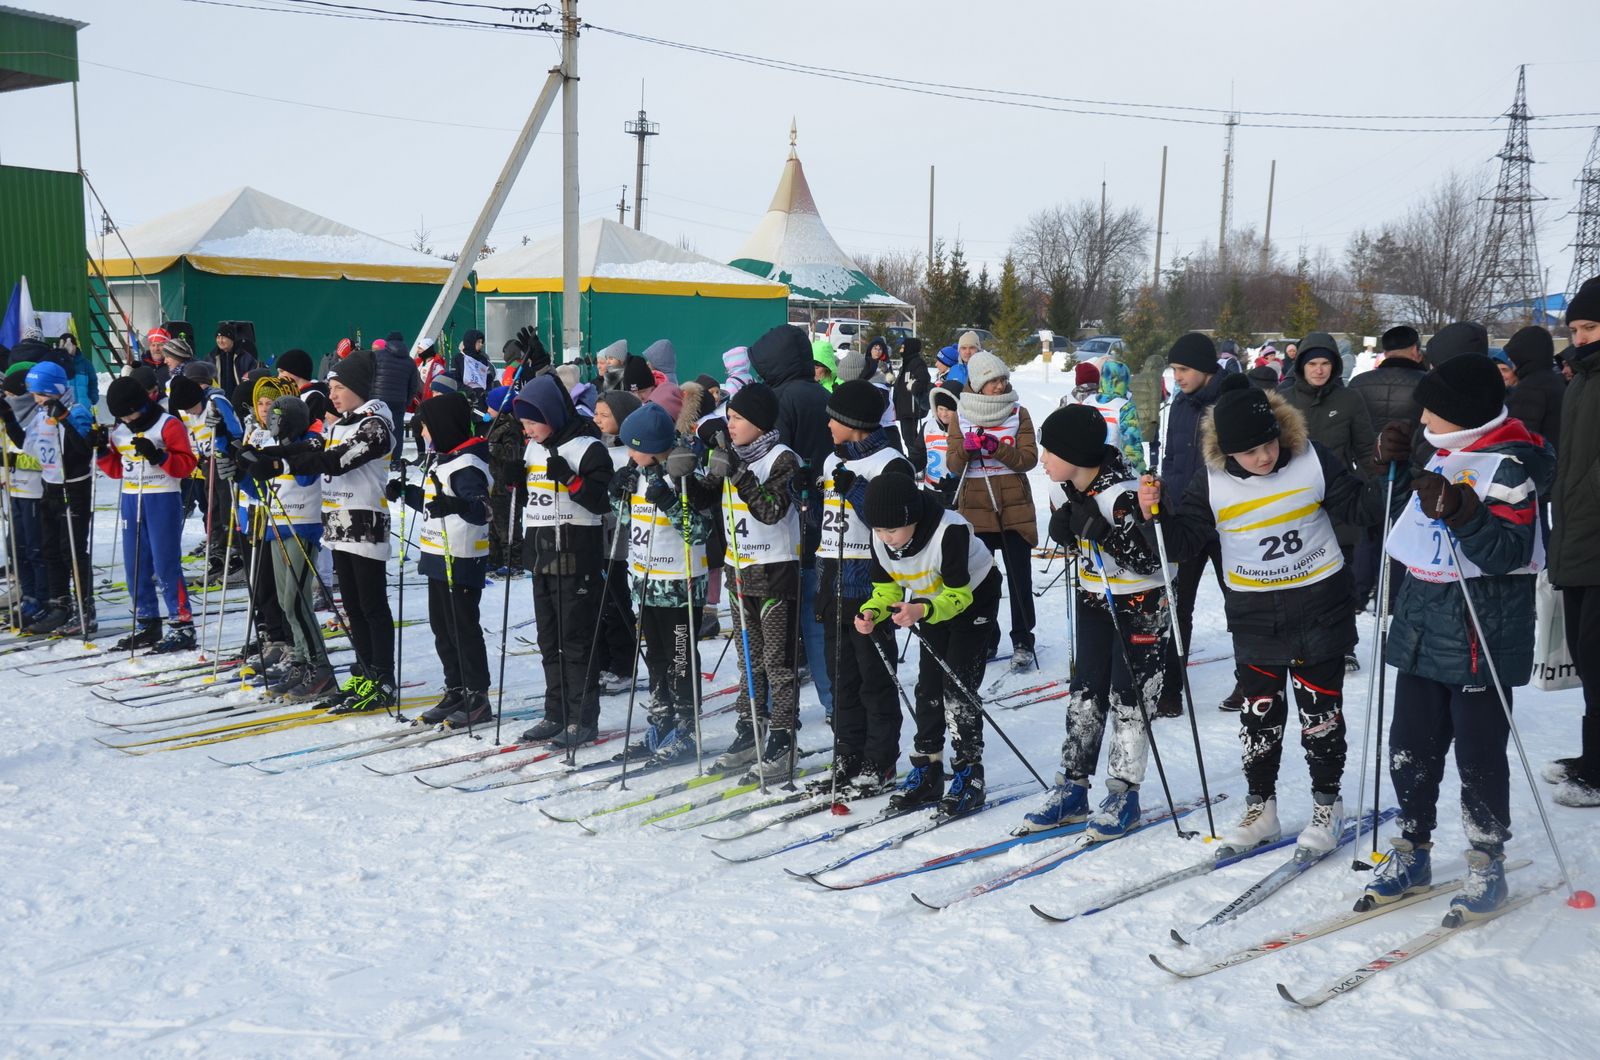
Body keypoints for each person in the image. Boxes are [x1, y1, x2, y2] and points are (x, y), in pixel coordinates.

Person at [1137, 376, 1396, 854]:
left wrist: (1386, 469)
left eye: (1269, 443)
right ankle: (1262, 808)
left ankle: (1326, 803)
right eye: (1250, 451)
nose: (1264, 457)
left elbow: (1363, 507)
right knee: (1260, 715)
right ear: (1227, 451)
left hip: (1319, 602)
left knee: (1321, 714)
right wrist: (1156, 515)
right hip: (1254, 612)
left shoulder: (1312, 458)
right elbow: (1184, 542)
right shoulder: (1209, 479)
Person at [1364, 352, 1554, 915]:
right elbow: (1405, 523)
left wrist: (1466, 513)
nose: (1423, 415)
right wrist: (1391, 468)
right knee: (1409, 748)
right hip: (1422, 629)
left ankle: (1485, 858)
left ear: (1464, 414)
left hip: (1480, 636)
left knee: (1478, 754)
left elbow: (1507, 553)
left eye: (1434, 409)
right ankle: (1413, 847)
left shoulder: (1511, 469)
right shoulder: (1443, 453)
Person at [1019, 404, 1167, 838]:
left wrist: (1102, 532)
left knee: (1130, 698)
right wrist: (1066, 531)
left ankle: (1124, 792)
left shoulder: (1122, 493)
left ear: (1078, 454)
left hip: (1140, 602)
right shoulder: (1065, 488)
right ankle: (1073, 785)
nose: (1042, 459)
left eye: (1050, 451)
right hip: (1094, 597)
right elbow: (1071, 533)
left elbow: (1151, 559)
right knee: (1084, 691)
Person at [858, 472, 1001, 815]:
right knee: (928, 687)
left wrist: (921, 609)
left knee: (958, 687)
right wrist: (872, 612)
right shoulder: (880, 537)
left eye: (891, 530)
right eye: (878, 530)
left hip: (972, 598)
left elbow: (958, 597)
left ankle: (969, 772)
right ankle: (928, 767)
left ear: (911, 517)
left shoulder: (948, 531)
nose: (885, 538)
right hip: (930, 602)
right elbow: (886, 590)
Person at [283, 349, 398, 714]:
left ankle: (382, 677)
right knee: (351, 605)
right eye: (331, 387)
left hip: (364, 523)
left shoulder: (375, 424)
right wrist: (271, 458)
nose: (331, 395)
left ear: (358, 387)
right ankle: (364, 670)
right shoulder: (342, 423)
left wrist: (284, 460)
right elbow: (313, 448)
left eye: (338, 387)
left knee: (371, 605)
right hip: (338, 524)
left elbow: (338, 459)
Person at [817, 379, 916, 791]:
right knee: (841, 678)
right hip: (832, 575)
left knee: (874, 677)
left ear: (852, 423)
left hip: (871, 581)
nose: (827, 425)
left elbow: (891, 517)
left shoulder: (890, 462)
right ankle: (848, 752)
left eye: (833, 418)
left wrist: (855, 489)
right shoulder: (831, 461)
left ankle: (880, 759)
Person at [706, 383, 803, 778]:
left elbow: (771, 510)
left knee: (777, 664)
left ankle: (783, 737)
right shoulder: (730, 455)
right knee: (749, 663)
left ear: (759, 424)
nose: (729, 424)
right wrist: (676, 479)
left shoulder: (783, 459)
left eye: (737, 418)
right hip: (738, 569)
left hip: (776, 570)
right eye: (728, 417)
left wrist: (740, 472)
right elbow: (703, 496)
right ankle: (750, 730)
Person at [512, 375, 614, 747]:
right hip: (541, 556)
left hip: (576, 555)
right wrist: (515, 482)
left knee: (575, 641)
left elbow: (603, 503)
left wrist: (571, 480)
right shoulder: (533, 450)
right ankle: (555, 712)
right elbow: (530, 498)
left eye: (532, 423)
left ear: (552, 414)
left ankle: (582, 717)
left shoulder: (587, 448)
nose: (528, 432)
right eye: (523, 425)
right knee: (548, 640)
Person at [612, 401, 713, 763]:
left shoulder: (685, 471)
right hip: (646, 580)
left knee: (680, 659)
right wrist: (616, 491)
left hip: (679, 584)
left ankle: (686, 727)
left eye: (633, 446)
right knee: (655, 657)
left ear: (652, 447)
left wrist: (670, 501)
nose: (628, 453)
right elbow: (624, 518)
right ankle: (661, 720)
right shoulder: (638, 472)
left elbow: (700, 531)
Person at [747, 323, 835, 720]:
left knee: (780, 619)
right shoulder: (822, 393)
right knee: (818, 616)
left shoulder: (779, 400)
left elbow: (768, 457)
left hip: (788, 519)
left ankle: (775, 710)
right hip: (825, 512)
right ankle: (835, 702)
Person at [1282, 331, 1377, 669]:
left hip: (1338, 499)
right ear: (1301, 366)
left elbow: (1366, 449)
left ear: (1334, 366)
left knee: (1339, 578)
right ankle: (1298, 638)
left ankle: (1344, 643)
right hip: (1292, 500)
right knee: (1295, 575)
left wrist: (1377, 485)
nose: (1319, 370)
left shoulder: (1349, 400)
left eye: (1325, 364)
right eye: (1312, 364)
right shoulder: (1283, 398)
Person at [1152, 332, 1232, 715]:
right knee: (1177, 606)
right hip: (1187, 519)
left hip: (1227, 522)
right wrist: (1166, 497)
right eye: (1174, 370)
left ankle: (1254, 681)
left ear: (1203, 368)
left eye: (1183, 369)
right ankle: (1170, 689)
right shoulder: (1180, 404)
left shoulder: (1230, 400)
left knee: (1241, 602)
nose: (1177, 377)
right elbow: (1172, 461)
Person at [233, 396, 334, 700]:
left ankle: (320, 668)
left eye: (279, 419)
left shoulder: (311, 442)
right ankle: (301, 662)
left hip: (302, 526)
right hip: (276, 527)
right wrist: (243, 469)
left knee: (296, 601)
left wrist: (277, 458)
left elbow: (305, 476)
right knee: (283, 600)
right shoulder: (273, 445)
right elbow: (260, 487)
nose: (273, 425)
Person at [947, 351, 1039, 671]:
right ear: (977, 384)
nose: (1000, 386)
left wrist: (996, 448)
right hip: (976, 508)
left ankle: (1023, 639)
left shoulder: (1019, 413)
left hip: (1014, 508)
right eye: (992, 381)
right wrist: (966, 450)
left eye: (1002, 379)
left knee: (1018, 579)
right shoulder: (962, 414)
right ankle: (986, 636)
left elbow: (1028, 459)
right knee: (982, 580)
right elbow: (952, 464)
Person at [97, 375, 198, 652]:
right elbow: (117, 469)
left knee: (166, 564)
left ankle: (182, 624)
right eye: (122, 417)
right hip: (132, 499)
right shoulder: (120, 431)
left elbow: (187, 466)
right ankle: (147, 621)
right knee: (135, 564)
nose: (127, 420)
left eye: (129, 414)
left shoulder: (168, 425)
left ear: (141, 404)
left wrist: (158, 456)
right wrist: (101, 451)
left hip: (162, 497)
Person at [1547, 276, 1600, 807]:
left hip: (1595, 534)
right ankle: (1592, 757)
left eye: (1590, 327)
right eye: (1576, 328)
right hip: (1580, 535)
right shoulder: (1583, 378)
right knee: (1587, 657)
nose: (1580, 338)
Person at [10, 362, 96, 635]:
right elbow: (29, 447)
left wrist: (65, 418)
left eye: (39, 393)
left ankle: (86, 609)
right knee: (50, 549)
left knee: (72, 551)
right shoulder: (40, 414)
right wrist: (8, 418)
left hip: (74, 488)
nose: (35, 399)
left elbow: (83, 450)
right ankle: (60, 604)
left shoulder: (79, 411)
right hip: (51, 488)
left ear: (54, 390)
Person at [590, 389, 642, 687]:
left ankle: (623, 665)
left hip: (616, 536)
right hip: (595, 531)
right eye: (595, 414)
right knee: (598, 601)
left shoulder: (629, 453)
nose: (597, 420)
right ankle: (603, 661)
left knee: (615, 598)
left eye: (604, 415)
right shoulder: (597, 445)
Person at [0, 363, 46, 627]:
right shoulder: (11, 418)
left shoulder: (35, 418)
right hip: (15, 489)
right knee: (16, 547)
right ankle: (28, 596)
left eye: (11, 395)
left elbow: (39, 458)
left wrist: (12, 461)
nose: (7, 399)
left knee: (34, 547)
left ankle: (41, 597)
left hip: (34, 491)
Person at [1503, 325, 1564, 453]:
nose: (1510, 361)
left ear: (1524, 355)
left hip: (1539, 465)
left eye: (1513, 357)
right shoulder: (1554, 380)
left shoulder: (1531, 387)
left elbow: (1519, 438)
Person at [1088, 358, 1147, 474]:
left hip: (1086, 470)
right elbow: (1132, 446)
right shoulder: (1125, 407)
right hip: (1114, 472)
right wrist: (1141, 473)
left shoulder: (1087, 402)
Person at [371, 334, 423, 456]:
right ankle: (395, 460)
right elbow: (413, 385)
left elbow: (369, 376)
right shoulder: (410, 361)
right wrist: (407, 401)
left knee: (376, 427)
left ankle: (376, 456)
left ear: (387, 342)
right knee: (397, 430)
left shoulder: (377, 356)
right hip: (399, 401)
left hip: (378, 399)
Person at [892, 337, 932, 465]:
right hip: (904, 408)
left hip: (911, 409)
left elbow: (924, 380)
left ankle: (917, 463)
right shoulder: (906, 362)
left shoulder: (917, 363)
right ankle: (915, 461)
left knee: (911, 439)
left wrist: (913, 386)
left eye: (903, 347)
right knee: (908, 438)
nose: (901, 350)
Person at [921, 383, 961, 500]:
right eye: (940, 409)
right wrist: (908, 464)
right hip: (931, 489)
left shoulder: (965, 429)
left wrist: (956, 483)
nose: (943, 414)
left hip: (955, 492)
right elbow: (919, 454)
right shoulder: (929, 426)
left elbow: (970, 464)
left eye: (949, 410)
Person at [210, 322, 257, 396]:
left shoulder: (245, 358)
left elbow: (252, 377)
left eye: (223, 338)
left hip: (240, 398)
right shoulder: (211, 357)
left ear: (231, 339)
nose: (220, 341)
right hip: (218, 398)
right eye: (218, 338)